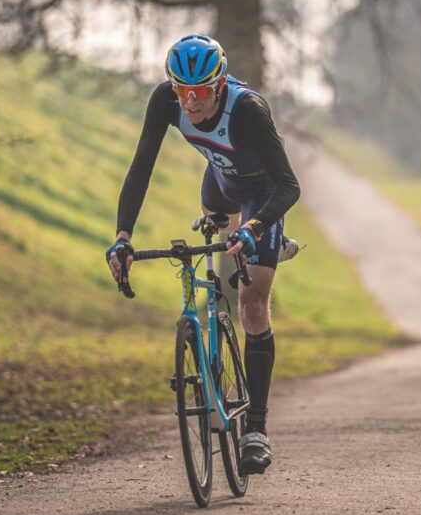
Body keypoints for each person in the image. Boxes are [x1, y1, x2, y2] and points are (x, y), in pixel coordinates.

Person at [106, 34, 301, 474]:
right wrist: (122, 236)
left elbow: (290, 185)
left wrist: (254, 228)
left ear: (219, 84)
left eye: (199, 92)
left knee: (253, 302)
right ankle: (214, 324)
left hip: (263, 196)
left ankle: (256, 428)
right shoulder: (166, 101)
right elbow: (141, 167)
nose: (189, 103)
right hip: (219, 188)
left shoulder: (247, 110)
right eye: (181, 91)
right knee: (216, 265)